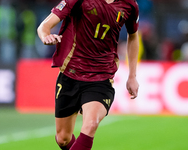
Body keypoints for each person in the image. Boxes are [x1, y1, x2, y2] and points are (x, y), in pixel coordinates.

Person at [37, 0, 139, 149]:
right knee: (63, 139)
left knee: (90, 125)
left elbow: (133, 36)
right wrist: (45, 36)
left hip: (101, 78)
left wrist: (132, 76)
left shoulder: (129, 5)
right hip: (70, 74)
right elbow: (44, 26)